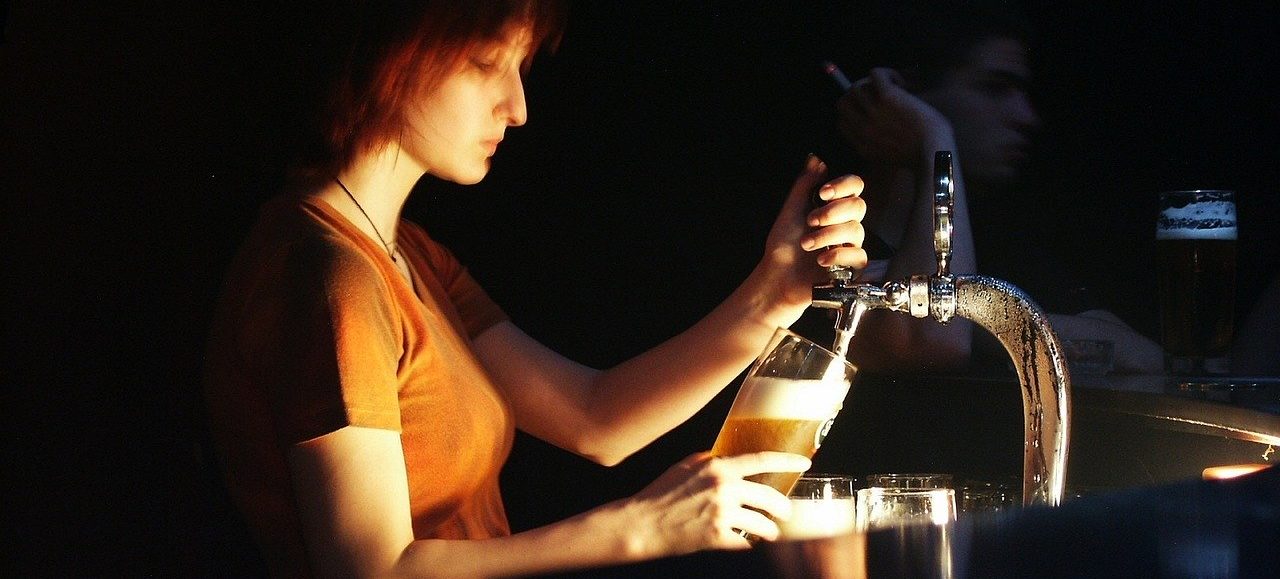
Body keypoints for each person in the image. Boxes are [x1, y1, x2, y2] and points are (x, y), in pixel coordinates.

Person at [201, 1, 868, 577]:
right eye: (488, 63)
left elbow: (593, 417)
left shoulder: (408, 256)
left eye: (521, 69)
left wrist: (774, 292)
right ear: (391, 51)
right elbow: (372, 567)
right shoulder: (327, 272)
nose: (517, 107)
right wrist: (645, 525)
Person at [830, 1, 1162, 375]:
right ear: (903, 95)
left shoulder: (1000, 240)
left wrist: (972, 315)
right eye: (994, 88)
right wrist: (935, 137)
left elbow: (1141, 354)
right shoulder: (831, 233)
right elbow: (931, 342)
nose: (1026, 116)